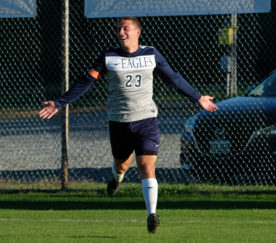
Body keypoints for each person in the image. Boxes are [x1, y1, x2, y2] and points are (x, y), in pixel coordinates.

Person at [39, 17, 218, 233]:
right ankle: (117, 178)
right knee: (122, 165)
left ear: (137, 32)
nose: (120, 32)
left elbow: (173, 78)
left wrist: (198, 97)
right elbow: (86, 81)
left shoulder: (151, 54)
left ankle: (152, 214)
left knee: (146, 166)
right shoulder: (108, 56)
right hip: (119, 123)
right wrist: (60, 103)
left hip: (146, 121)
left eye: (125, 28)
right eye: (118, 29)